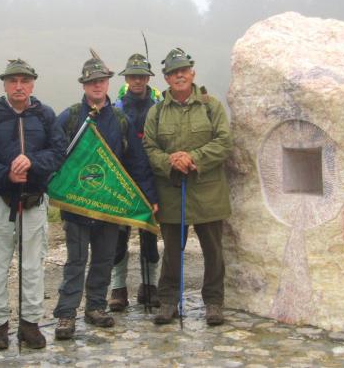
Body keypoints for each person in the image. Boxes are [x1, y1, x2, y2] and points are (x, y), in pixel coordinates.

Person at [53, 50, 158, 340]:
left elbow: (136, 163)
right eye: (92, 82)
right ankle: (65, 315)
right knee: (76, 261)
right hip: (77, 204)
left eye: (101, 81)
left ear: (108, 84)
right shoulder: (72, 117)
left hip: (109, 204)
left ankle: (96, 307)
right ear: (84, 86)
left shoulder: (120, 120)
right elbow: (54, 153)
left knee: (103, 258)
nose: (97, 86)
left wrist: (149, 197)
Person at [0, 59, 66, 350]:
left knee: (33, 265)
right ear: (5, 84)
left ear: (33, 83)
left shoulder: (45, 115)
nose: (18, 86)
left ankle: (30, 324)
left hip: (33, 202)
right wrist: (4, 174)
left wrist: (33, 162)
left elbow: (58, 152)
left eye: (24, 80)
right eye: (12, 81)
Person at [143, 48, 233, 326]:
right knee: (171, 251)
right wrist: (170, 160)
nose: (179, 75)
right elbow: (149, 146)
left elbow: (224, 141)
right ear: (166, 78)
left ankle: (214, 303)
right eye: (172, 72)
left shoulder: (211, 106)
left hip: (208, 192)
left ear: (192, 73)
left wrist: (193, 157)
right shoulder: (156, 112)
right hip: (171, 191)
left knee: (213, 252)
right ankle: (168, 301)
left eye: (183, 70)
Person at [108, 53, 162, 312]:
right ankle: (118, 288)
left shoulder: (158, 108)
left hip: (153, 179)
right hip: (123, 181)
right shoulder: (117, 109)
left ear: (148, 78)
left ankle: (150, 285)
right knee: (119, 237)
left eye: (142, 75)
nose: (138, 80)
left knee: (150, 234)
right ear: (126, 79)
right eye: (133, 76)